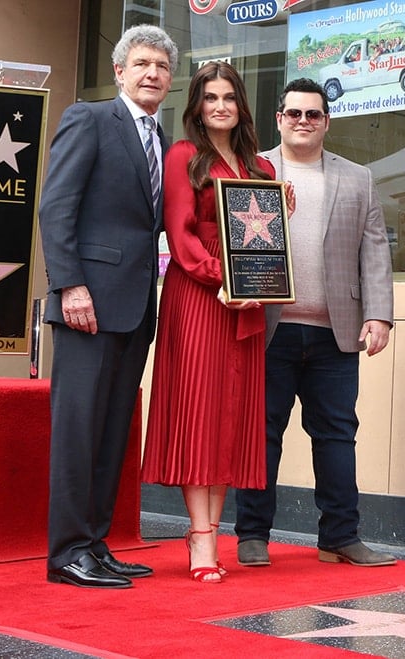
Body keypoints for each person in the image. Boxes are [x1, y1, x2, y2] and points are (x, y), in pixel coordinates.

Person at [141, 61, 295, 584]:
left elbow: (264, 244)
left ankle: (208, 531)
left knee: (230, 413)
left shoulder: (262, 171)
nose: (221, 106)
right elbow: (180, 236)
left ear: (242, 105)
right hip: (200, 296)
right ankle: (201, 535)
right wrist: (219, 278)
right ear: (197, 107)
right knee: (200, 409)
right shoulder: (184, 156)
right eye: (210, 98)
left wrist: (280, 226)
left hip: (247, 302)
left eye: (229, 97)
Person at [234, 78, 396, 568]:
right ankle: (253, 536)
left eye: (314, 114)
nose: (304, 121)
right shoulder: (252, 171)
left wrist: (379, 314)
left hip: (336, 331)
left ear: (327, 121)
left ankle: (340, 537)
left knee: (336, 436)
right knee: (261, 434)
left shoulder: (358, 177)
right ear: (279, 119)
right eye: (294, 113)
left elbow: (375, 250)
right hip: (268, 329)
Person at [38, 24, 178, 589]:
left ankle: (94, 545)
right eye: (142, 63)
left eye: (162, 67)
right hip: (86, 307)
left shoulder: (164, 142)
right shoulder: (89, 119)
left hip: (136, 310)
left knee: (112, 431)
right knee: (78, 430)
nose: (152, 74)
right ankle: (67, 551)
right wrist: (69, 286)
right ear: (119, 71)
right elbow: (56, 207)